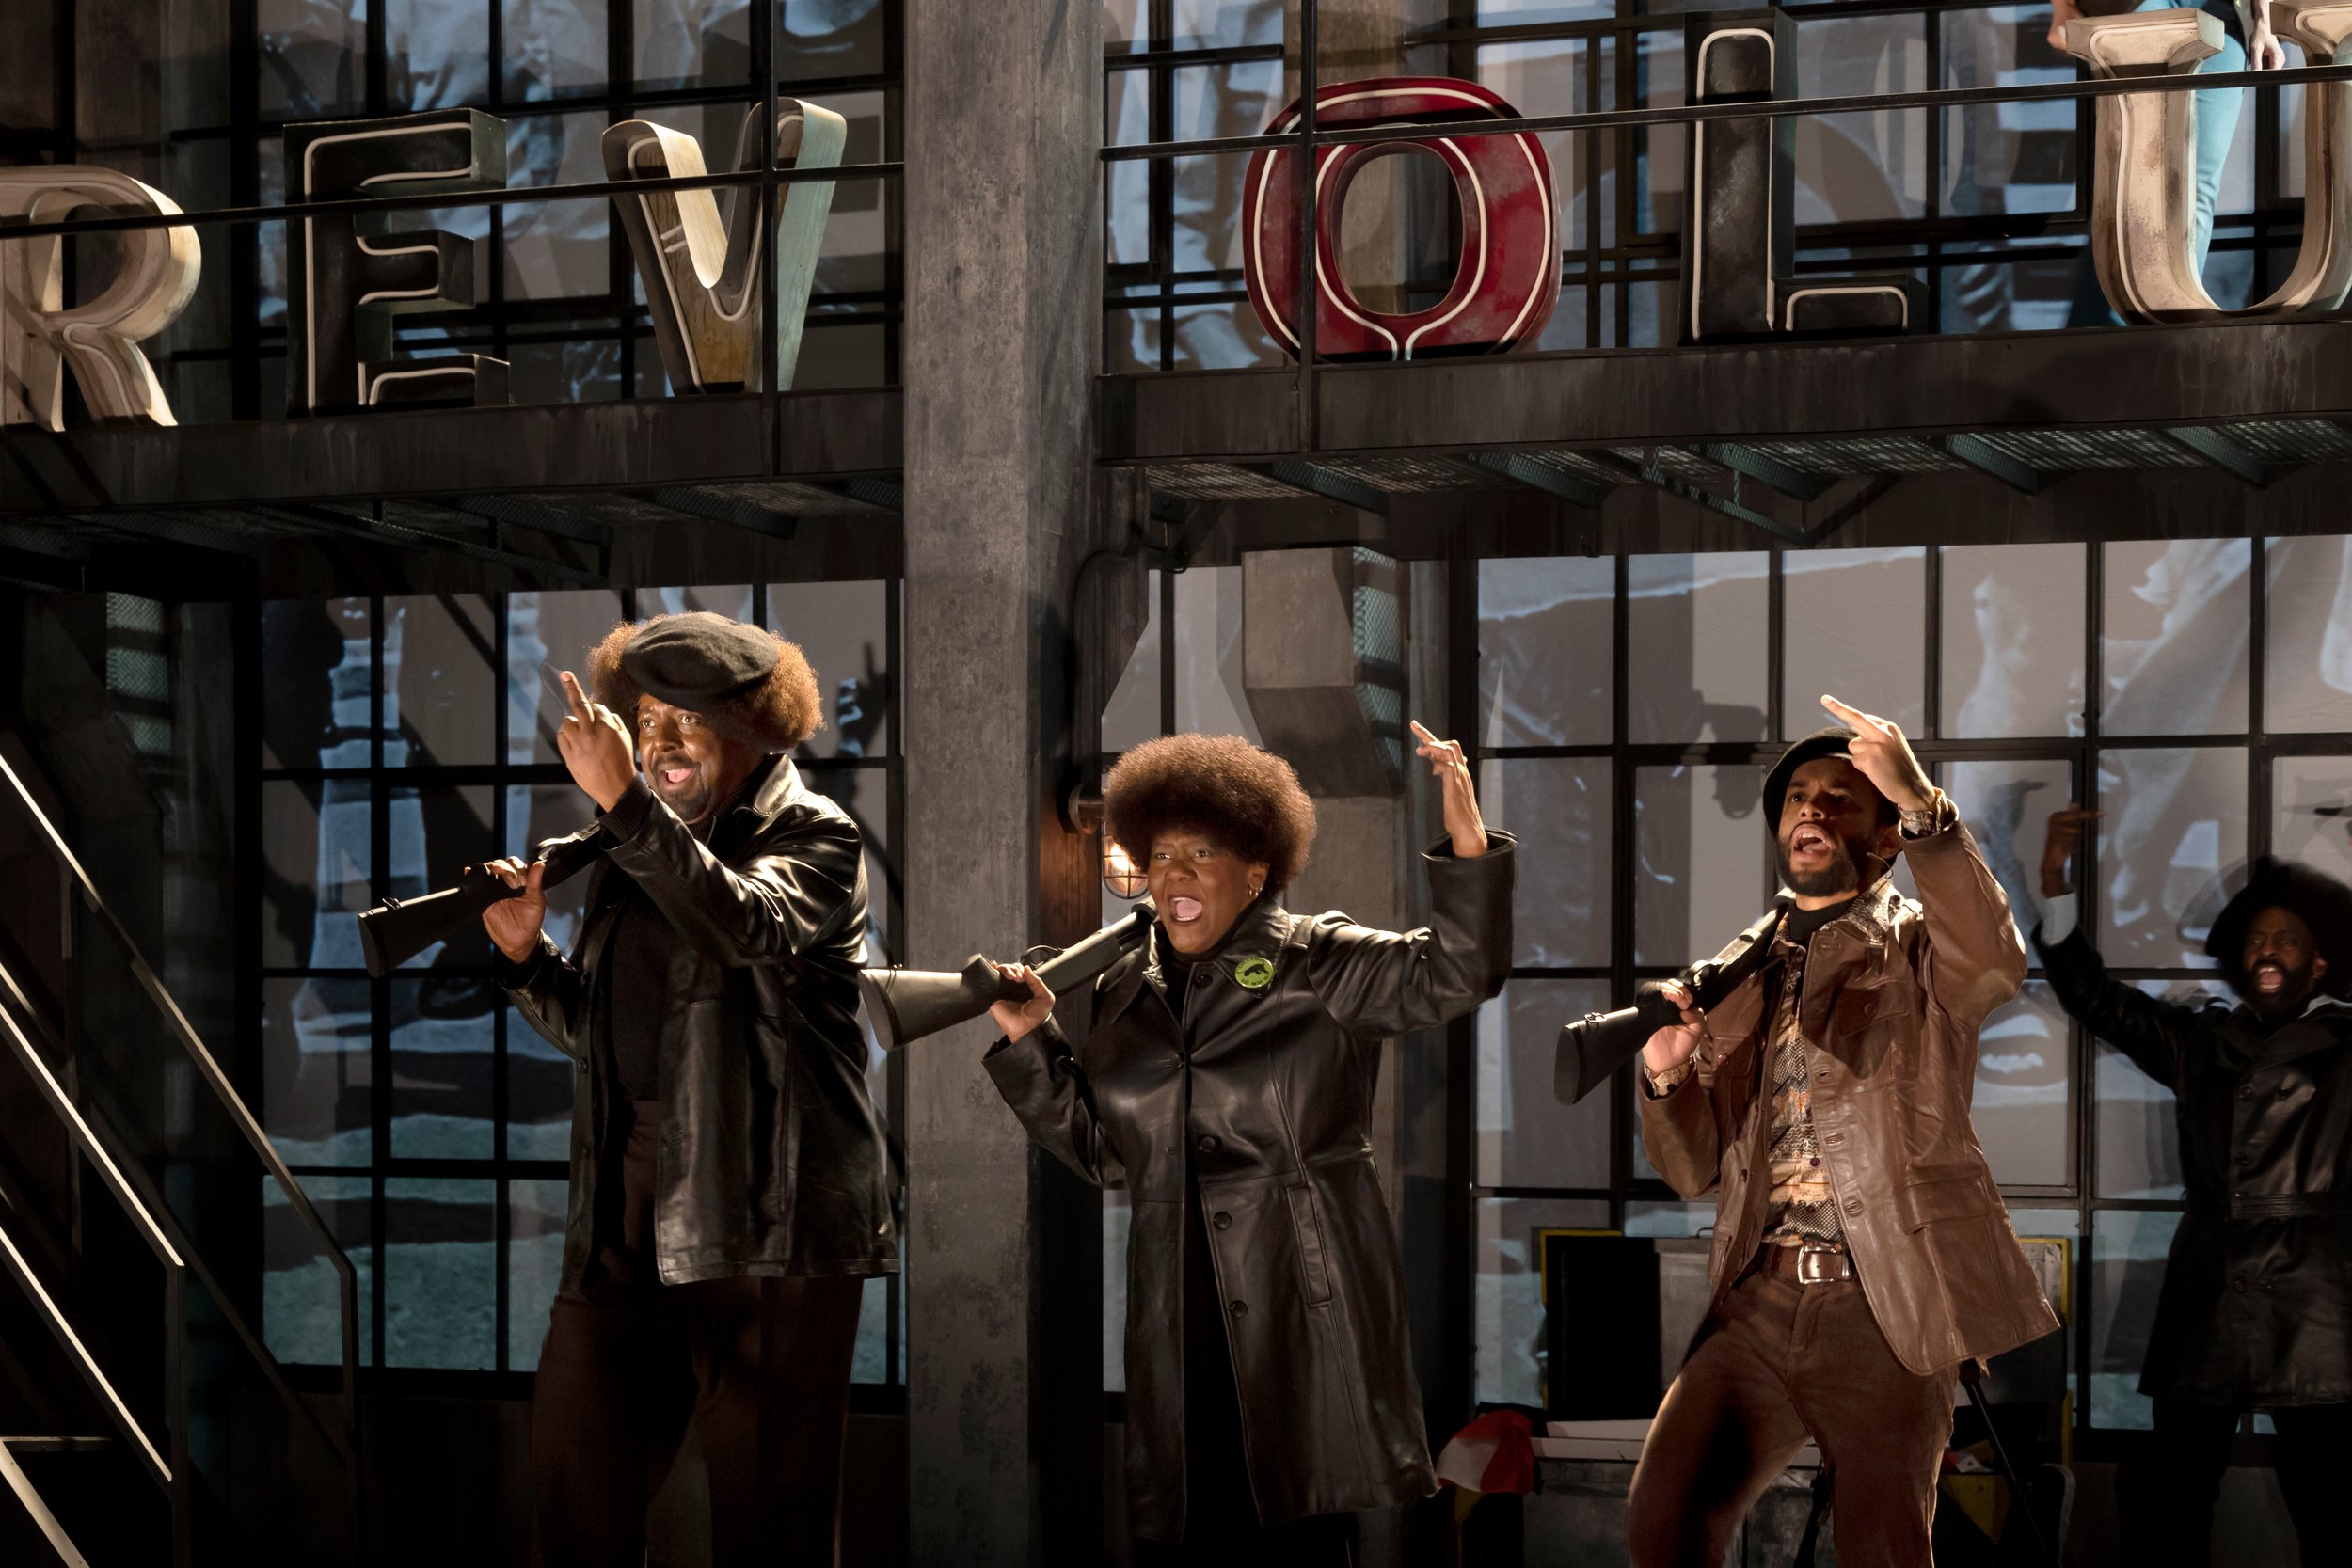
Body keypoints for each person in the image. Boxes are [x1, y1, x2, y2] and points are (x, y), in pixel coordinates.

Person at [983, 724, 1513, 1565]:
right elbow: (1108, 1154)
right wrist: (1031, 1042)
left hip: (1300, 1319)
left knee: (1294, 1536)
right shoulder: (1125, 991)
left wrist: (1467, 846)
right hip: (1175, 1325)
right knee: (1185, 1537)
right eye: (1162, 855)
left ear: (1258, 871)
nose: (1177, 873)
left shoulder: (1320, 959)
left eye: (1203, 852)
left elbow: (1458, 970)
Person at [481, 610, 895, 1568]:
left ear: (754, 729)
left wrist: (625, 803)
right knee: (577, 1495)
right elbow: (609, 1032)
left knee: (770, 1528)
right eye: (647, 719)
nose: (660, 742)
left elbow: (740, 924)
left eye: (689, 721)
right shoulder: (632, 847)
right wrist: (526, 959)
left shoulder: (814, 835)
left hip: (768, 1224)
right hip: (625, 1213)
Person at [1626, 696, 2060, 1568]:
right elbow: (1690, 1170)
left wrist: (1924, 806)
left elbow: (1992, 962)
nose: (1812, 810)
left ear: (1886, 837)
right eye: (1797, 798)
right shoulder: (1739, 975)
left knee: (1882, 1550)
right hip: (1754, 1299)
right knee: (1662, 1524)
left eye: (1839, 798)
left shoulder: (1919, 949)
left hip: (1884, 1300)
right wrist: (1667, 1076)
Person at [2035, 811, 2352, 1567]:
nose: (2266, 949)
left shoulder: (2349, 1045)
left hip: (2315, 1298)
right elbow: (2092, 995)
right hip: (2209, 1286)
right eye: (2256, 939)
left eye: (2286, 940)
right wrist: (2054, 881)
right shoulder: (2201, 1041)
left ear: (2318, 964)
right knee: (2173, 1494)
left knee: (2332, 1500)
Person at [2054, 0, 2286, 324]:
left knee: (2196, 185)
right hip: (2141, 5)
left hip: (2223, 12)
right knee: (2130, 180)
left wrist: (2264, 21)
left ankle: (2174, 318)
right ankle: (2103, 326)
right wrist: (2061, 8)